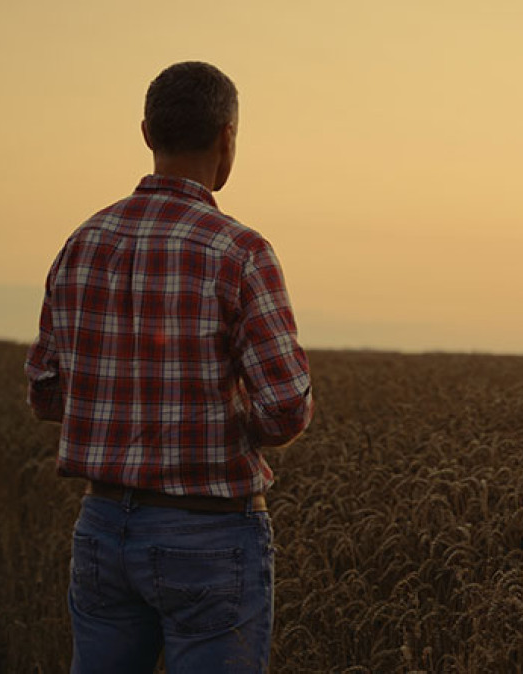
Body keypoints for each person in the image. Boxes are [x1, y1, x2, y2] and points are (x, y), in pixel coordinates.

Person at [24, 61, 314, 673]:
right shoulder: (240, 251)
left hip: (101, 527)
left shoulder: (82, 242)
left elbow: (46, 391)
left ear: (147, 133)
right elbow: (285, 408)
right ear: (227, 138)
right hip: (207, 535)